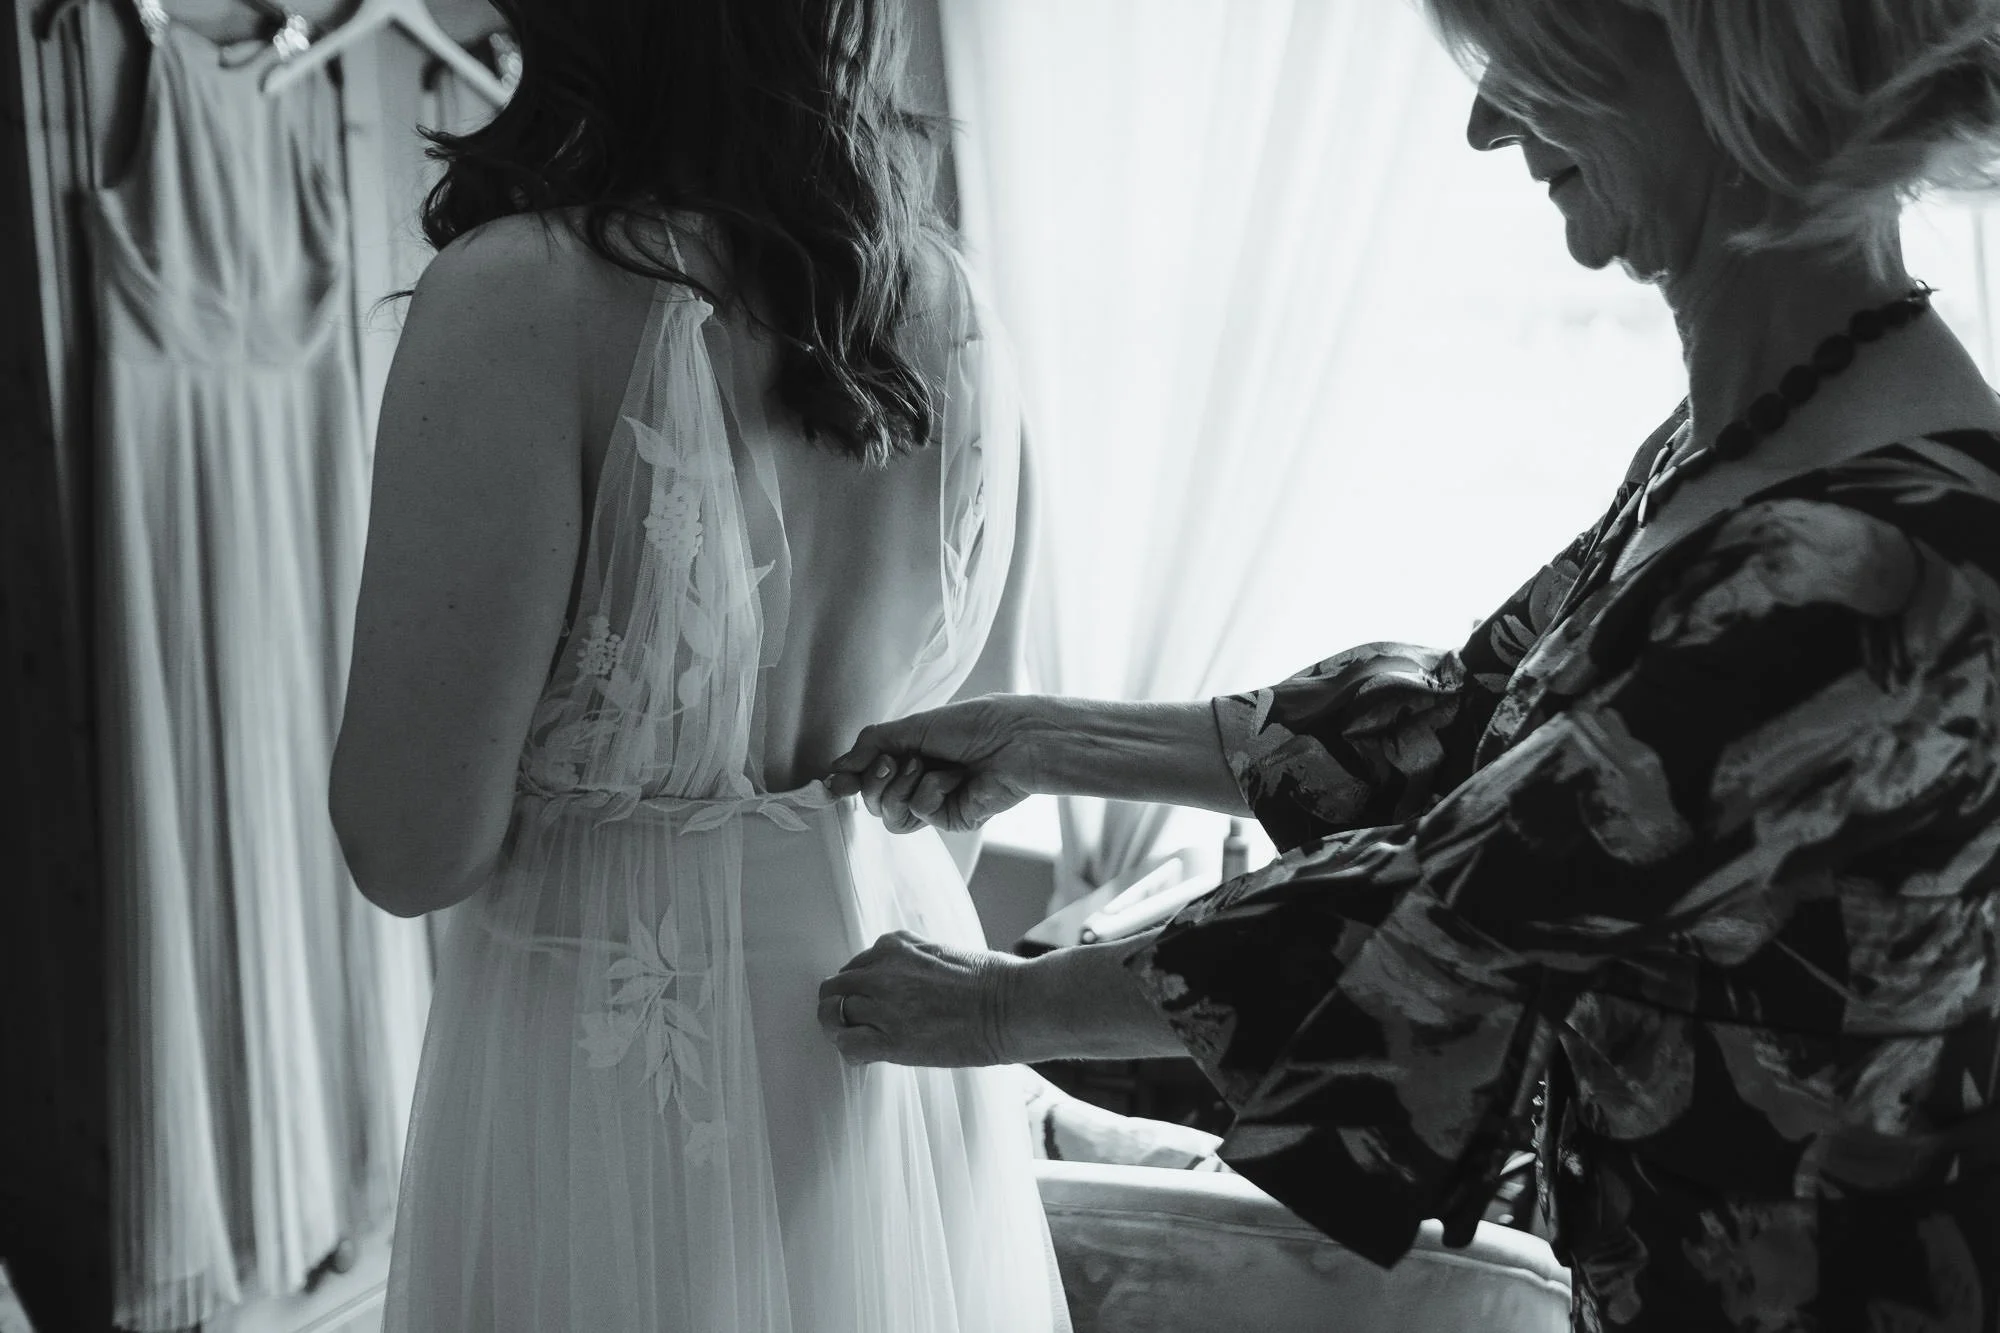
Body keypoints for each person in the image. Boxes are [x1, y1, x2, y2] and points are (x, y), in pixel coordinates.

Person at [820, 2, 2000, 1327]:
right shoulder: (1757, 435)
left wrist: (988, 1010)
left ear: (1731, 69)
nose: (1488, 121)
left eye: (1535, 63)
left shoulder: (1869, 557)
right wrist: (1051, 739)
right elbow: (1472, 722)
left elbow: (1449, 921)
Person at [327, 0, 1065, 1328]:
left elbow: (408, 845)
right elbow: (962, 780)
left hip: (614, 1074)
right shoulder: (956, 310)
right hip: (897, 1023)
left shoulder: (519, 298)